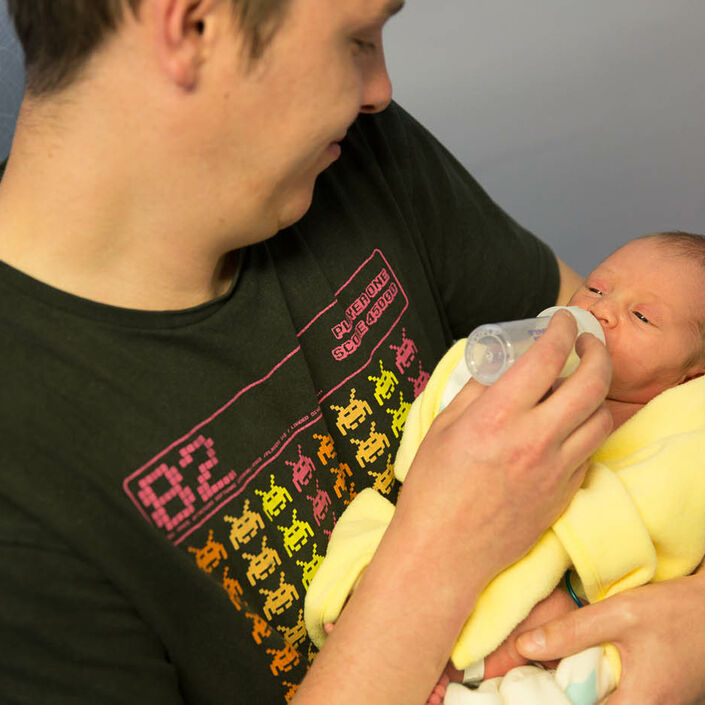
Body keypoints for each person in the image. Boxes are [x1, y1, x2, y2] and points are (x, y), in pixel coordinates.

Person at [0, 2, 692, 705]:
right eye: (357, 39)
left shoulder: (353, 159)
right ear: (192, 26)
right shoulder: (20, 480)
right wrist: (437, 552)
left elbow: (663, 394)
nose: (379, 90)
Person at [304, 232, 705, 705]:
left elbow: (671, 512)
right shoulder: (533, 375)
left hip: (580, 586)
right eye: (597, 289)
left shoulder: (681, 429)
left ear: (691, 375)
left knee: (561, 631)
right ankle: (378, 616)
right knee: (371, 530)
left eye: (642, 316)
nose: (603, 311)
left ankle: (472, 672)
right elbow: (429, 464)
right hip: (443, 548)